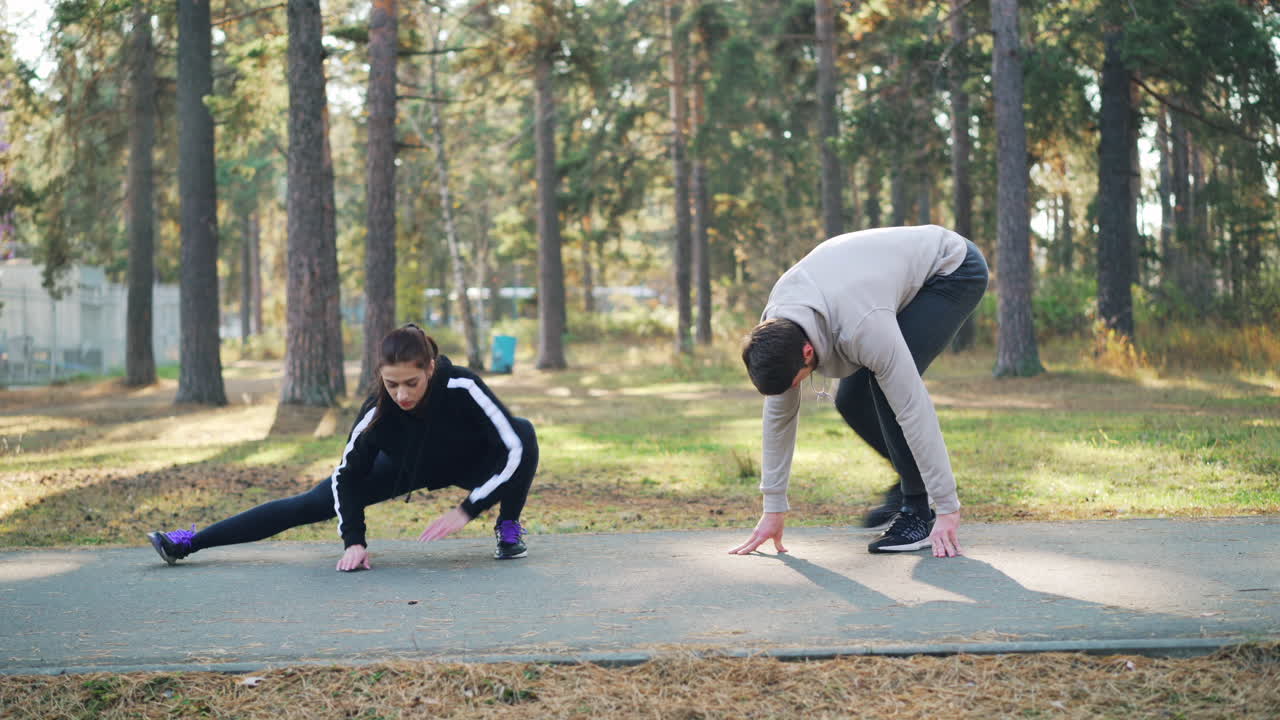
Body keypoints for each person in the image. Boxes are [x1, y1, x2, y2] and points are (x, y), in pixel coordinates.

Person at [147, 324, 538, 571]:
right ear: (380, 377)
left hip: (468, 460)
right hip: (401, 466)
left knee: (524, 431)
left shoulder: (462, 386)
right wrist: (354, 541)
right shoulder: (376, 414)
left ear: (430, 369)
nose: (401, 394)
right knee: (306, 504)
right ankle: (188, 543)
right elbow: (347, 479)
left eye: (411, 383)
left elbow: (514, 447)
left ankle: (507, 527)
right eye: (391, 384)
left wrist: (470, 507)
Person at [730, 225, 988, 558]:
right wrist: (773, 509)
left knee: (887, 391)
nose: (794, 390)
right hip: (871, 284)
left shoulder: (862, 325)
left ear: (808, 352)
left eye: (797, 382)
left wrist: (948, 506)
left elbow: (912, 405)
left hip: (950, 269)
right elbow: (778, 419)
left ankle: (918, 511)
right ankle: (911, 484)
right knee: (852, 400)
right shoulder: (779, 328)